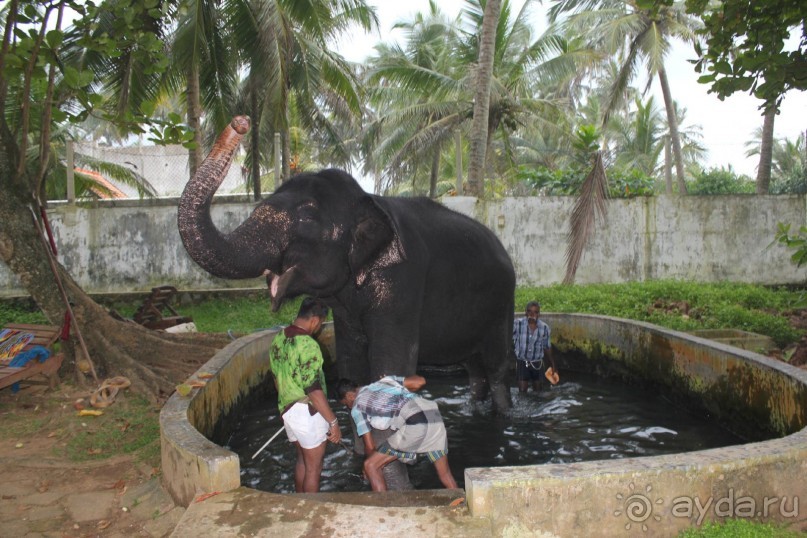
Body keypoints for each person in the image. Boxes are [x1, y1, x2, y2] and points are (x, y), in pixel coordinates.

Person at [335, 375, 458, 492]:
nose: (349, 407)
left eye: (346, 404)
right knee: (445, 474)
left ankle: (382, 510)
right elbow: (420, 381)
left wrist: (366, 467)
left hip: (416, 421)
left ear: (350, 396)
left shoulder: (357, 407)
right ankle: (462, 504)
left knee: (370, 465)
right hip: (434, 415)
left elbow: (369, 445)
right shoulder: (385, 381)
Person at [269, 297, 341, 493]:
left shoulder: (279, 338)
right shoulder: (308, 345)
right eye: (321, 324)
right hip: (308, 413)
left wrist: (288, 407)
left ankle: (299, 503)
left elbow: (277, 379)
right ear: (315, 320)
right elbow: (314, 390)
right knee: (314, 469)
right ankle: (311, 514)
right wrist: (333, 422)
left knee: (302, 460)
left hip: (288, 410)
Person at [513, 301, 557, 393]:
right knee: (522, 391)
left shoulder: (544, 328)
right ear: (525, 312)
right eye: (529, 311)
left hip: (538, 364)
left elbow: (547, 346)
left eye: (535, 312)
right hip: (522, 361)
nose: (532, 314)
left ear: (539, 314)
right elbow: (506, 336)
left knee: (538, 392)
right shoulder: (517, 324)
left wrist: (552, 364)